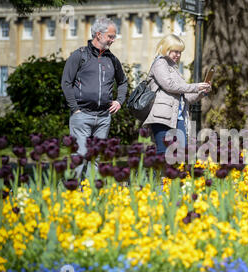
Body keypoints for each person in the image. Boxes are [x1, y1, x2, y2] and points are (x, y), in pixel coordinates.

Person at [61, 17, 127, 179]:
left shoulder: (112, 59)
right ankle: (72, 193)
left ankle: (93, 195)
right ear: (98, 34)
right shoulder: (79, 55)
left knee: (97, 159)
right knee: (80, 156)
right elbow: (66, 82)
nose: (113, 40)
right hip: (81, 115)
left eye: (114, 37)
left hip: (104, 117)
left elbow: (123, 82)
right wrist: (75, 109)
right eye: (111, 36)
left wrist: (119, 100)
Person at [143, 34, 211, 154]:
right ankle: (157, 173)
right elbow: (169, 86)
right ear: (165, 48)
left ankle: (172, 173)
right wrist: (196, 86)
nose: (178, 55)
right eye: (175, 51)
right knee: (164, 153)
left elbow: (186, 98)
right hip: (162, 117)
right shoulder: (160, 63)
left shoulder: (174, 68)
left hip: (178, 117)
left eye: (180, 52)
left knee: (180, 154)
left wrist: (201, 92)